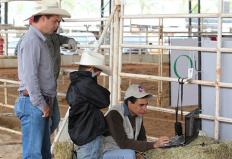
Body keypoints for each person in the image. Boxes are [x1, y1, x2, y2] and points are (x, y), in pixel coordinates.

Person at [14, 1, 71, 159]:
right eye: (55, 21)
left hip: (38, 101)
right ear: (43, 18)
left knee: (43, 153)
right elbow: (30, 77)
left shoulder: (39, 40)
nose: (57, 25)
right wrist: (41, 104)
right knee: (35, 154)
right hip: (35, 102)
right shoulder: (32, 41)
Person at [103, 84, 170, 159]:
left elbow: (142, 138)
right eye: (141, 105)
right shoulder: (114, 114)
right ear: (129, 102)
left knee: (143, 154)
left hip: (123, 151)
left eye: (146, 105)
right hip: (107, 152)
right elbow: (123, 143)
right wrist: (154, 144)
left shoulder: (137, 114)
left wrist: (142, 153)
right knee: (130, 154)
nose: (145, 109)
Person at [66, 52, 111, 159]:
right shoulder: (86, 84)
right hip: (89, 134)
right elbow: (104, 100)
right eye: (98, 70)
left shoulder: (78, 82)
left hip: (84, 131)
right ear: (91, 69)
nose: (99, 73)